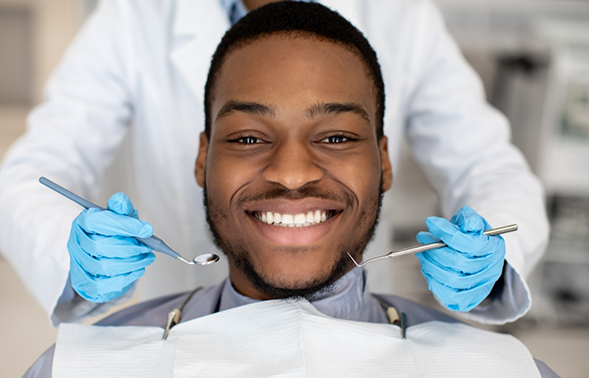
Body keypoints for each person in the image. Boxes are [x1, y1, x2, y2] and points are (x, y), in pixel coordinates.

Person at [23, 4, 557, 376]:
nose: (293, 173)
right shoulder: (136, 18)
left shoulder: (402, 18)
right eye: (249, 136)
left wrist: (492, 256)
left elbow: (489, 165)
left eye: (339, 136)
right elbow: (39, 166)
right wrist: (76, 259)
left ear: (383, 159)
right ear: (203, 156)